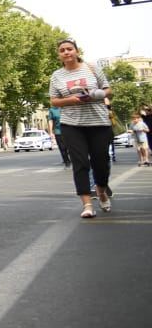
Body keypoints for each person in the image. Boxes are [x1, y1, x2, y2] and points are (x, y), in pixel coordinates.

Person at [49, 38, 113, 218]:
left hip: (98, 122)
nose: (66, 52)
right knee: (80, 163)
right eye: (62, 50)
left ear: (76, 51)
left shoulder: (91, 68)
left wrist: (97, 94)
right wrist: (71, 100)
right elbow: (53, 100)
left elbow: (108, 90)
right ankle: (87, 204)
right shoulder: (57, 76)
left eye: (69, 49)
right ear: (59, 55)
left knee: (101, 162)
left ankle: (101, 191)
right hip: (72, 124)